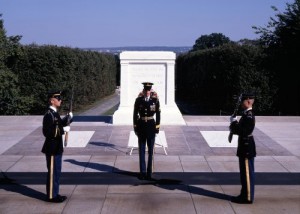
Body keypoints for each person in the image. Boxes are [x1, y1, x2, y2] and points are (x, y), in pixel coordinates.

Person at [42, 90, 73, 203]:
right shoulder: (48, 115)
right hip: (52, 149)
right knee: (53, 173)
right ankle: (51, 196)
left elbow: (59, 124)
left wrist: (69, 119)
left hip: (57, 148)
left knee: (56, 173)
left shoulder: (55, 113)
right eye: (58, 98)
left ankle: (54, 193)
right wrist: (63, 130)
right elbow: (47, 132)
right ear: (52, 100)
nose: (60, 100)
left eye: (60, 98)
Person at [229, 93, 256, 204]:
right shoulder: (246, 114)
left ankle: (247, 197)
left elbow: (244, 131)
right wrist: (234, 124)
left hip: (246, 148)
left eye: (242, 101)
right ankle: (244, 194)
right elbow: (238, 130)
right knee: (244, 174)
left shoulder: (249, 115)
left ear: (248, 101)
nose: (240, 103)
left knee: (247, 174)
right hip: (244, 147)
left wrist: (234, 122)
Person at [133, 82, 161, 180]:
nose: (147, 92)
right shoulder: (138, 100)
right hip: (141, 127)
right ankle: (142, 172)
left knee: (150, 152)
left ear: (150, 91)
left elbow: (158, 114)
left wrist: (157, 127)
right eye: (146, 90)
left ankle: (149, 173)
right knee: (141, 151)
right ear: (144, 91)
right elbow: (135, 114)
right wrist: (135, 126)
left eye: (149, 90)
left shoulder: (155, 101)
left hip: (150, 127)